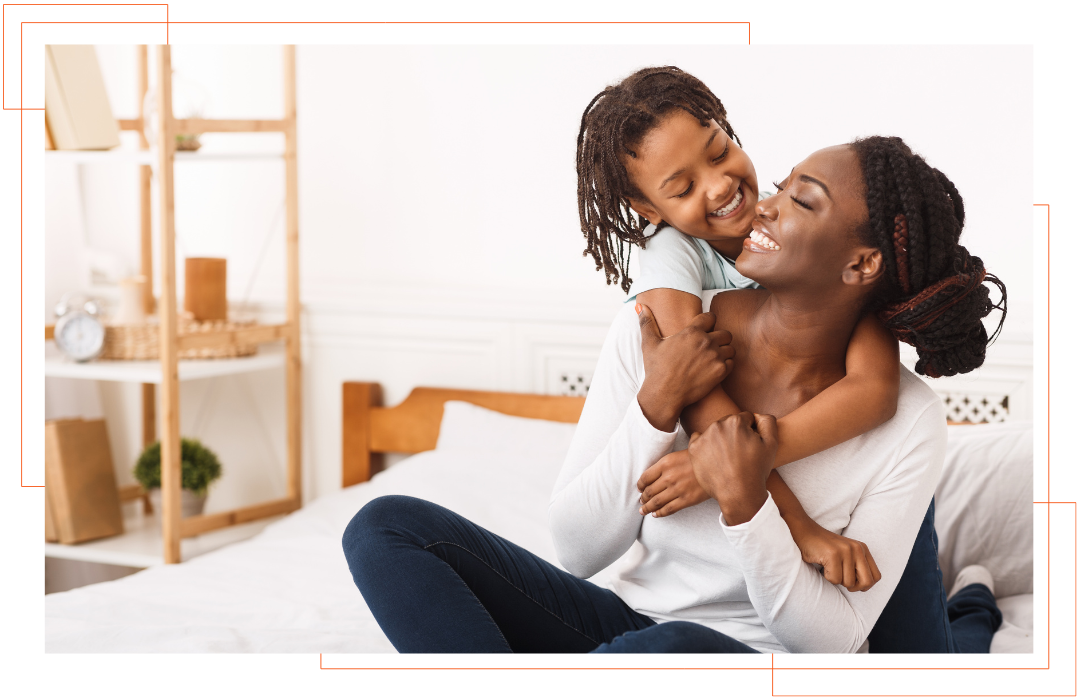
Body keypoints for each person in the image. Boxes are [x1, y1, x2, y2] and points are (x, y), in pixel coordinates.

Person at [342, 136, 1006, 653]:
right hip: (620, 624)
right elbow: (576, 552)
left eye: (802, 202)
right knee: (386, 527)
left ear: (861, 265)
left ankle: (971, 605)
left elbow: (827, 640)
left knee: (676, 649)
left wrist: (746, 502)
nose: (764, 205)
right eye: (780, 187)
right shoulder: (662, 330)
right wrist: (654, 409)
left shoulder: (908, 417)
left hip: (756, 655)